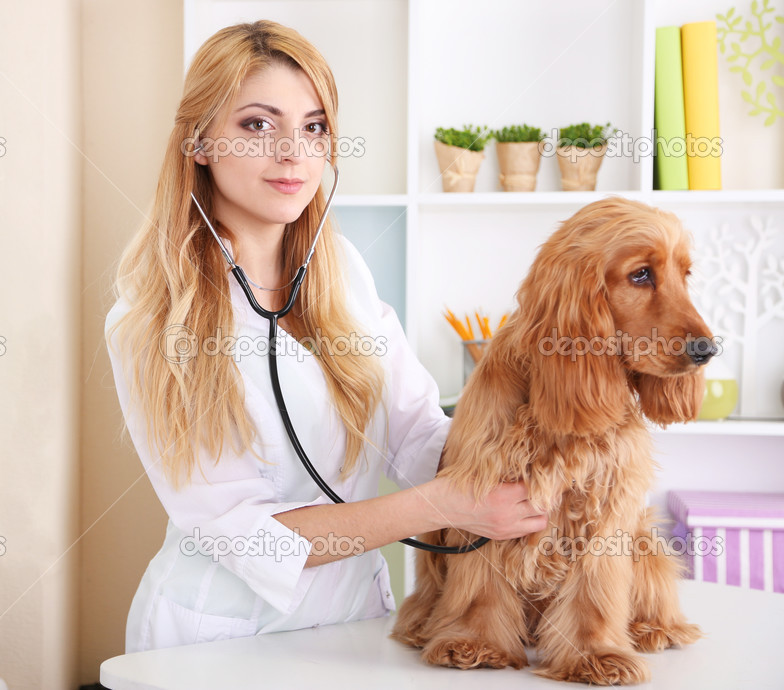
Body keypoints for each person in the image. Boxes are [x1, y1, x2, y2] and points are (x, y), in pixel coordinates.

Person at [104, 19, 547, 654]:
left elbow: (420, 433)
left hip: (356, 628)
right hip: (215, 643)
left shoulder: (342, 275)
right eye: (258, 125)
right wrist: (448, 505)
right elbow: (254, 538)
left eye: (314, 127)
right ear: (199, 142)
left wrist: (534, 442)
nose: (294, 152)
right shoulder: (150, 321)